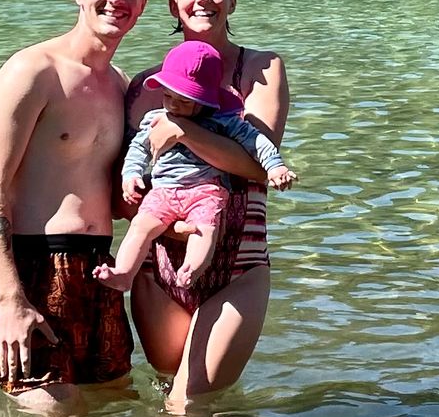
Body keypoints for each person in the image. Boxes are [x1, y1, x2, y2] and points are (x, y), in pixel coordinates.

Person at [0, 0, 149, 412]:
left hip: (96, 272)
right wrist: (10, 298)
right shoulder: (33, 70)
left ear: (145, 2)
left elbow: (115, 200)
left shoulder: (123, 87)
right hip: (28, 267)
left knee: (111, 413)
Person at [127, 0, 289, 414]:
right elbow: (130, 183)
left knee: (189, 403)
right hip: (160, 263)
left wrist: (183, 130)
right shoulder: (146, 87)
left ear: (232, 0)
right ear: (173, 5)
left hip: (238, 259)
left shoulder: (260, 69)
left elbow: (257, 166)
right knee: (168, 394)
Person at [100, 42, 294, 303]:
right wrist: (131, 175)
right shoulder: (155, 118)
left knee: (205, 229)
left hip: (206, 190)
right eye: (168, 96)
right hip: (164, 191)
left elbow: (256, 141)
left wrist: (275, 166)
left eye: (184, 101)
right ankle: (124, 273)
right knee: (140, 227)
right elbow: (138, 148)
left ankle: (193, 268)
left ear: (207, 100)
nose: (174, 105)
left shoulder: (222, 121)